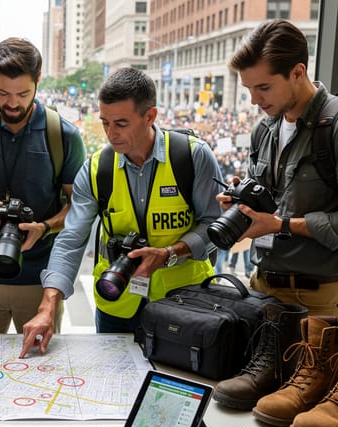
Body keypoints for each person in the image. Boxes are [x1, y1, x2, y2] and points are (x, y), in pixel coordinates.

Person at [20, 67, 222, 357]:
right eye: (105, 122)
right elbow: (71, 238)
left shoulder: (193, 156)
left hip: (183, 305)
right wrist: (48, 304)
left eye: (121, 123)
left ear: (150, 116)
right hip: (116, 303)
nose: (111, 134)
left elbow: (214, 224)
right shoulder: (95, 169)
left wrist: (169, 254)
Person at [223, 19, 338, 319]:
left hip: (319, 298)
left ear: (297, 72)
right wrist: (241, 206)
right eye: (248, 88)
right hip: (260, 286)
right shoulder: (264, 128)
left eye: (263, 87)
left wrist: (282, 225)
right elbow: (271, 204)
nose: (254, 100)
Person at [0, 37, 86, 334]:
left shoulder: (64, 135)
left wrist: (44, 227)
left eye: (23, 93)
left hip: (41, 276)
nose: (12, 103)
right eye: (2, 93)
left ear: (38, 81)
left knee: (39, 368)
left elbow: (78, 207)